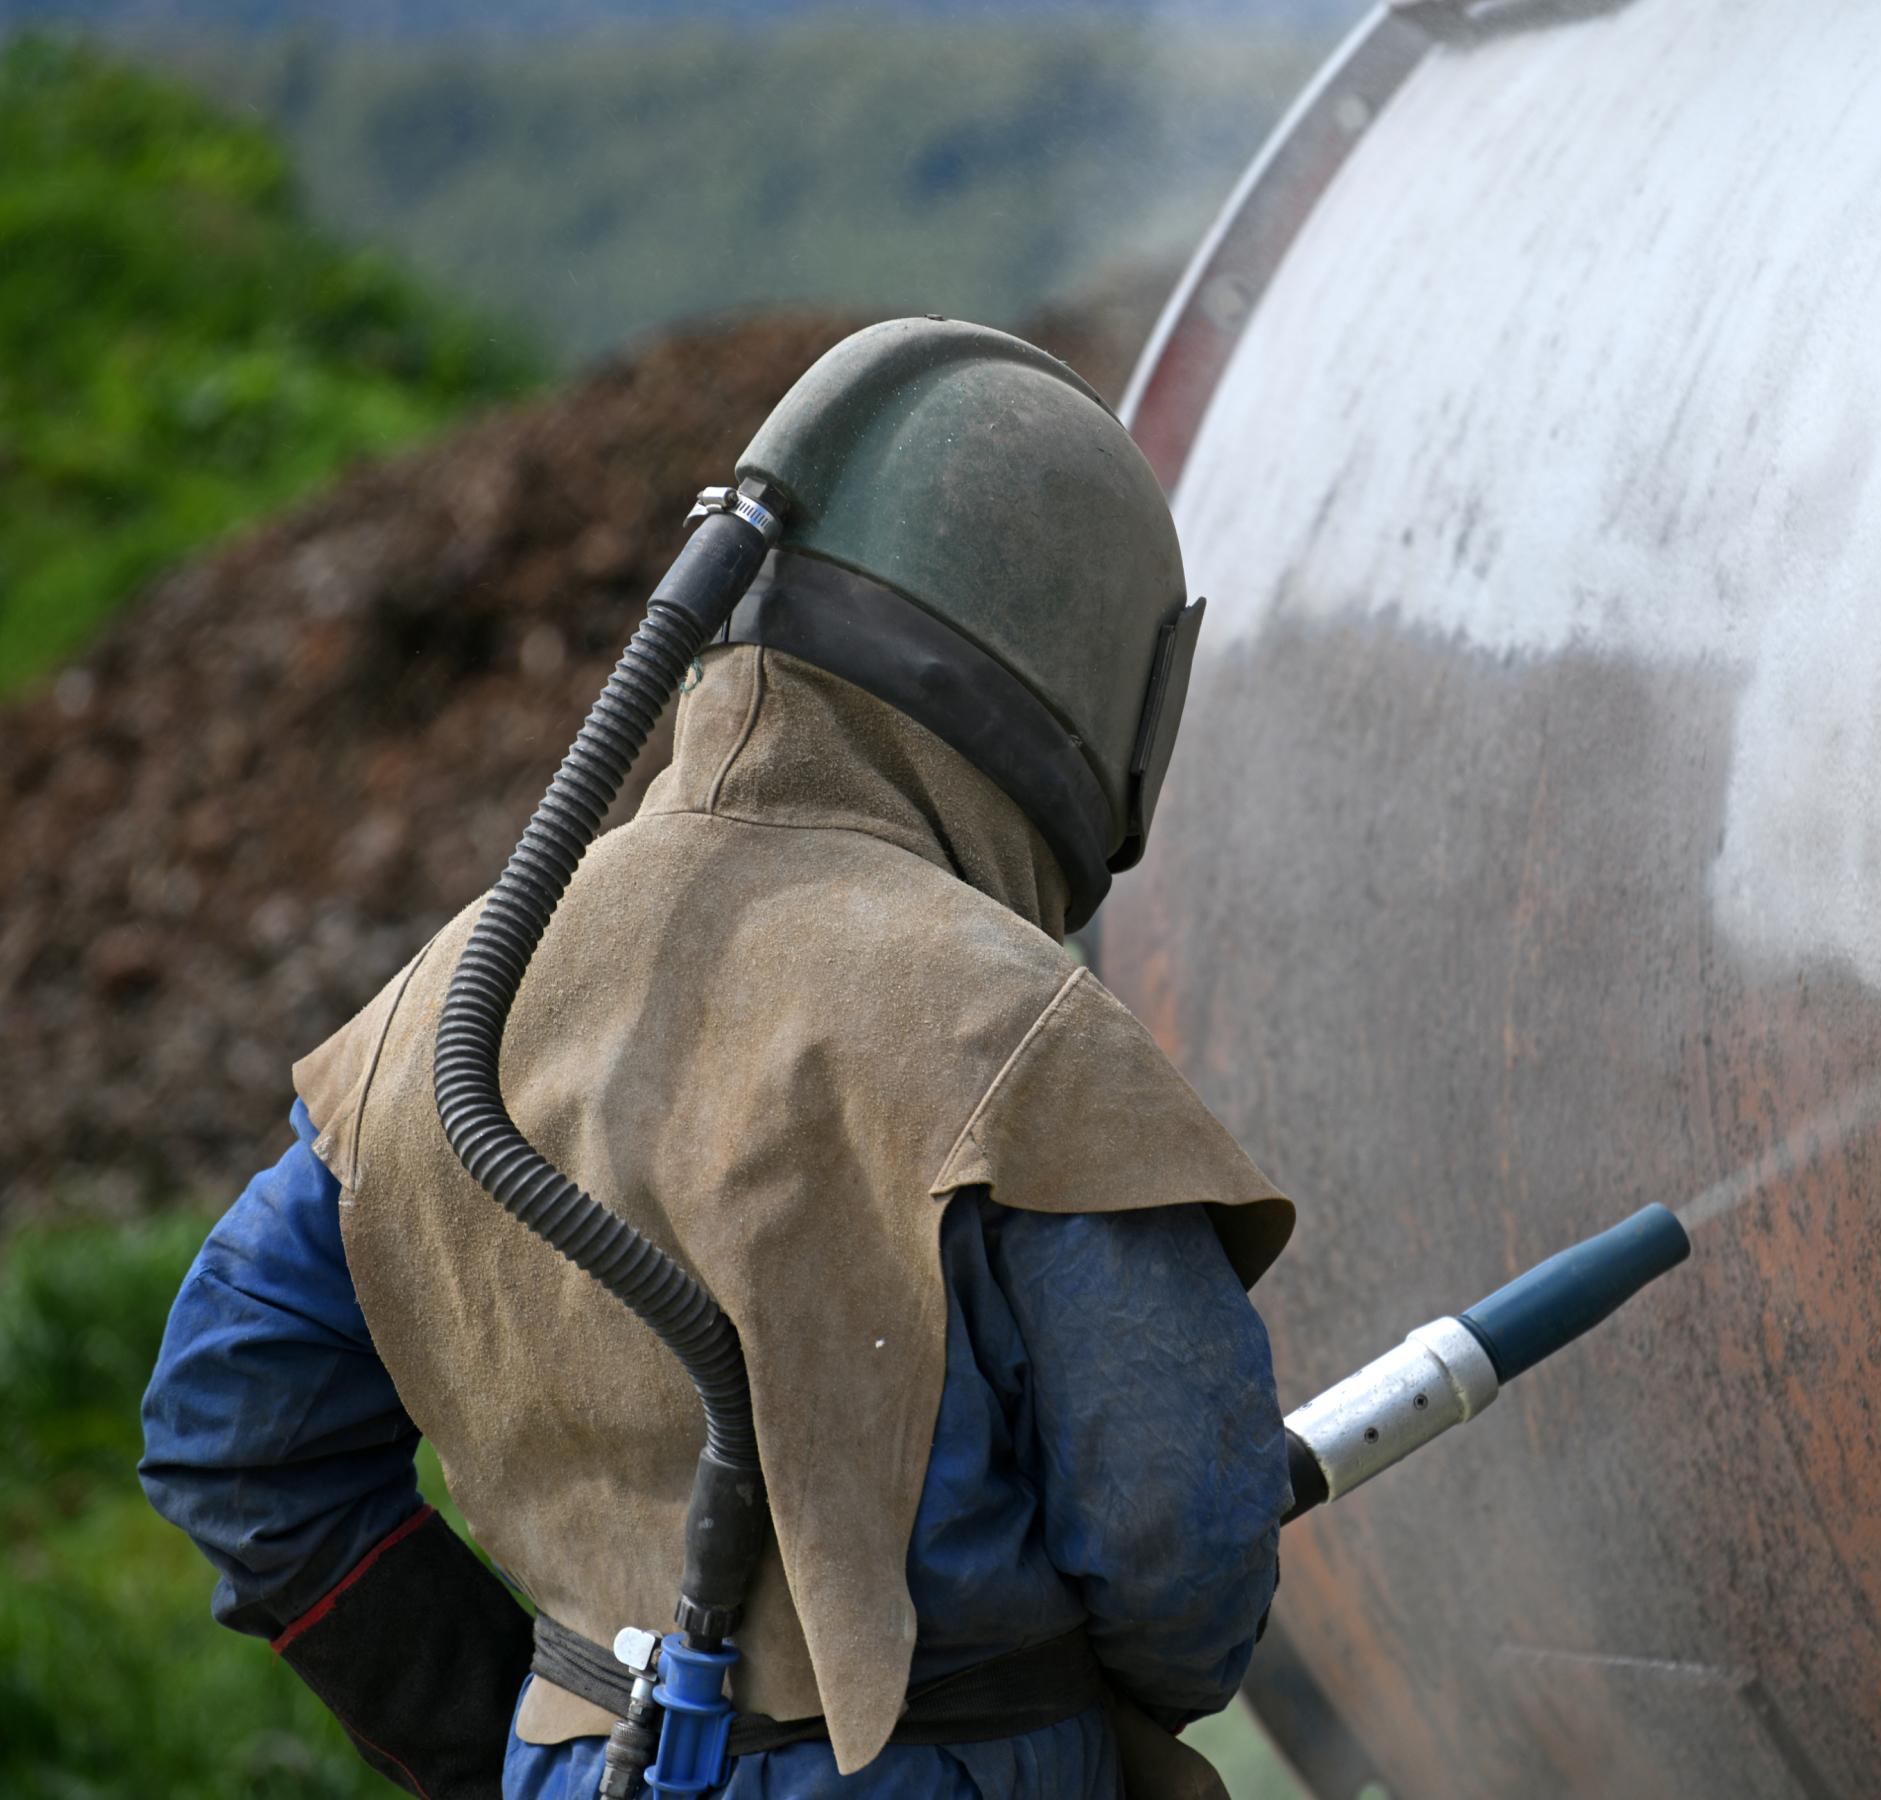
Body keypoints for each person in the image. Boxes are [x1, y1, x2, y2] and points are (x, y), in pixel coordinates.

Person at [140, 318, 1294, 1800]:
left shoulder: (446, 1006)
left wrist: (525, 1722)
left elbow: (229, 1425)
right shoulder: (1019, 1038)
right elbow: (1176, 1535)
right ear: (1090, 692)